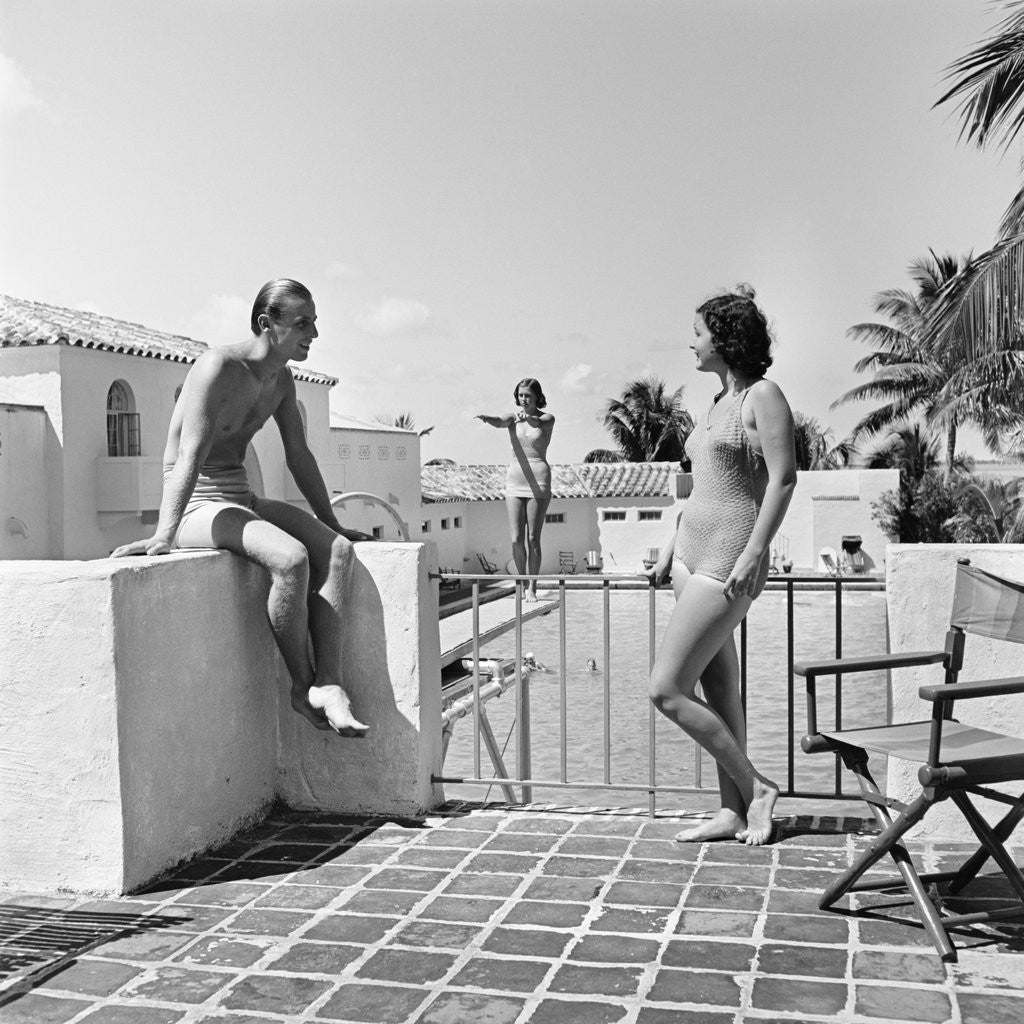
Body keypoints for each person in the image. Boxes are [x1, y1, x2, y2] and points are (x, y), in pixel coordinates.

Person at [112, 279, 373, 738]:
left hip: (240, 498)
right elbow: (190, 454)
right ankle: (302, 687)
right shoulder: (217, 367)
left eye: (313, 323)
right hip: (198, 505)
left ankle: (329, 683)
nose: (313, 333)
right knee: (290, 560)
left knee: (336, 551)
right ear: (266, 324)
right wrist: (164, 533)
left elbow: (299, 455)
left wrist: (331, 521)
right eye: (302, 324)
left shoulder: (281, 379)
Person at [645, 285, 796, 845]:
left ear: (725, 339)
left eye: (698, 333)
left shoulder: (763, 395)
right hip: (691, 554)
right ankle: (732, 811)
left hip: (730, 556)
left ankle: (757, 788)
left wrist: (755, 552)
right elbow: (706, 485)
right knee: (721, 693)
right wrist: (672, 540)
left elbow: (783, 479)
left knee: (666, 690)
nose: (692, 343)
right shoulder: (714, 403)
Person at [476, 378, 554, 602]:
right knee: (516, 539)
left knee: (533, 538)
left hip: (538, 480)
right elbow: (501, 421)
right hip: (515, 481)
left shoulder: (547, 418)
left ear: (537, 397)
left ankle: (532, 587)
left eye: (528, 395)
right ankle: (522, 582)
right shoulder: (513, 418)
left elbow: (539, 423)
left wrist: (527, 418)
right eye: (520, 395)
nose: (523, 399)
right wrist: (487, 418)